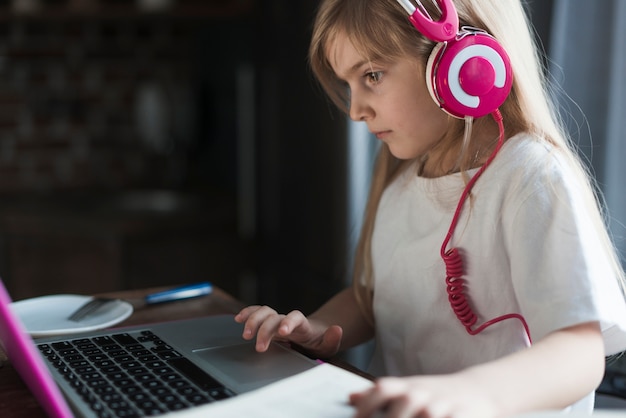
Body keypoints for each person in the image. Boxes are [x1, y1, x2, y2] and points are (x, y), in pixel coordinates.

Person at [235, 0, 626, 416]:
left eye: (372, 75)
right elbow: (374, 299)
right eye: (348, 85)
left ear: (462, 64)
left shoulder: (530, 176)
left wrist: (469, 395)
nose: (354, 110)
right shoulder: (401, 182)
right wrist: (317, 328)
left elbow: (579, 354)